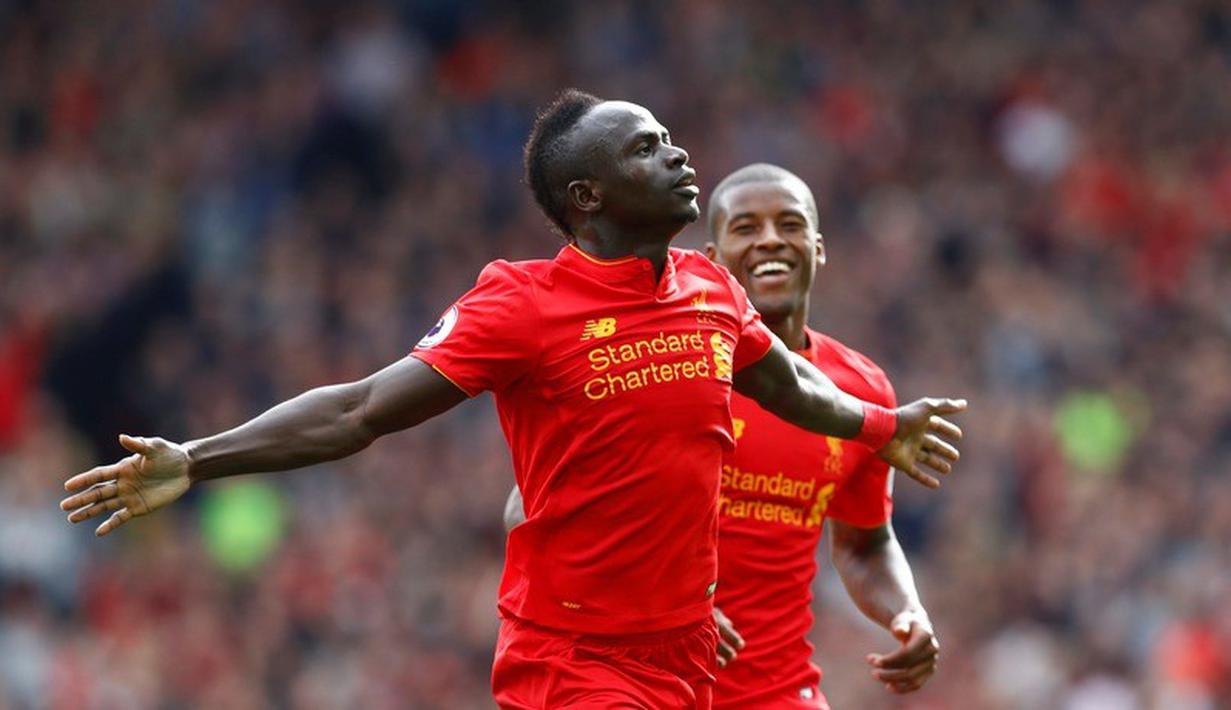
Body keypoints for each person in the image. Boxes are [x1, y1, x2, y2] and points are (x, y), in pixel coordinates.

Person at [60, 90, 965, 709]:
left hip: (690, 660)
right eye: (646, 148)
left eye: (668, 138)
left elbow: (794, 386)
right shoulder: (521, 305)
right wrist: (199, 458)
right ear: (588, 196)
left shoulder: (706, 290)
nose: (677, 152)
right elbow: (360, 409)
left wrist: (884, 426)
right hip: (575, 663)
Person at [706, 164, 939, 707]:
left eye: (789, 224)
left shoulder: (861, 391)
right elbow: (535, 510)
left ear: (818, 247)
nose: (770, 239)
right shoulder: (672, 368)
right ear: (712, 260)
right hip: (649, 687)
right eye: (745, 227)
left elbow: (864, 544)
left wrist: (907, 610)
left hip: (780, 692)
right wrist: (662, 604)